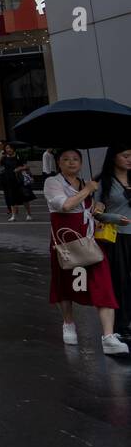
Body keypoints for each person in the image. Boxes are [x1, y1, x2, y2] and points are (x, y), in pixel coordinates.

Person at [45, 148, 127, 354]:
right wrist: (88, 190)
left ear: (81, 163)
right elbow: (65, 205)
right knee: (66, 284)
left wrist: (111, 217)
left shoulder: (85, 183)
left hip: (89, 243)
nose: (71, 163)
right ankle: (68, 323)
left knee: (103, 283)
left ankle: (108, 336)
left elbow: (94, 213)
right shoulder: (53, 183)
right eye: (66, 159)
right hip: (66, 242)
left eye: (75, 159)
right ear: (58, 163)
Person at [97, 143, 131, 341]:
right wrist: (114, 218)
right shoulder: (104, 181)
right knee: (122, 282)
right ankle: (122, 324)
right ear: (114, 157)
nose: (129, 159)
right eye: (125, 155)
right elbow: (96, 212)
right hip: (117, 237)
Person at [0, 142, 32, 221]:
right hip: (9, 179)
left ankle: (28, 214)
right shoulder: (4, 158)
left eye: (10, 148)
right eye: (7, 148)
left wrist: (20, 168)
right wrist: (0, 157)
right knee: (12, 198)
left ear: (13, 149)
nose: (8, 150)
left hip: (19, 179)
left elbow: (27, 166)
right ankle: (13, 215)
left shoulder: (19, 156)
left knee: (24, 198)